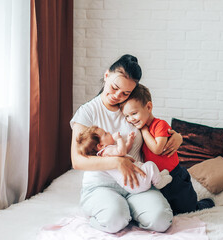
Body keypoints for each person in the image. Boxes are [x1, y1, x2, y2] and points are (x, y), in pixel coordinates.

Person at [70, 54, 183, 233]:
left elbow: (153, 124)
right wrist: (117, 161)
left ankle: (130, 210)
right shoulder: (88, 112)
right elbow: (77, 161)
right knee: (115, 220)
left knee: (161, 220)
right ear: (106, 76)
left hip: (138, 183)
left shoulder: (129, 107)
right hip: (102, 186)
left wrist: (177, 136)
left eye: (126, 93)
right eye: (115, 88)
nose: (117, 96)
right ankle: (115, 212)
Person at [120, 84, 215, 215]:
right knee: (170, 207)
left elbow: (157, 149)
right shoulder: (137, 129)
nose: (131, 119)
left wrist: (144, 130)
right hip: (158, 179)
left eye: (134, 113)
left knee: (189, 207)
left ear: (148, 107)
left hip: (174, 175)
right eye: (127, 116)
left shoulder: (159, 125)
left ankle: (205, 203)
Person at [76, 125, 172, 194]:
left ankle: (157, 176)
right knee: (150, 165)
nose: (109, 132)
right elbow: (121, 152)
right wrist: (119, 138)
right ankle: (158, 182)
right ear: (101, 145)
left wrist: (129, 141)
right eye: (105, 134)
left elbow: (124, 150)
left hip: (134, 184)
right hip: (136, 181)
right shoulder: (106, 152)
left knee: (148, 167)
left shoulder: (107, 152)